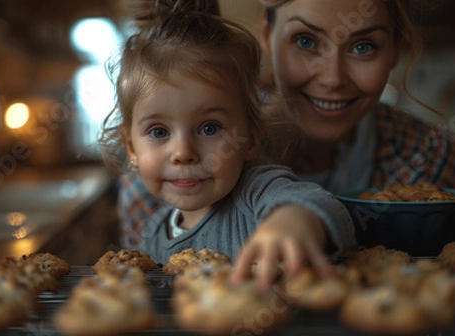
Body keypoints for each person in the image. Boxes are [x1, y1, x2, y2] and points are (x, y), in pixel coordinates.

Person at [117, 0, 455, 265]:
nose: (332, 78)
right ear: (267, 32)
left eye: (363, 46)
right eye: (306, 42)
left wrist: (297, 220)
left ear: (395, 50)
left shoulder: (427, 156)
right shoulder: (155, 186)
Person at [100, 0, 355, 288]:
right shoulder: (152, 235)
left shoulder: (257, 192)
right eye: (159, 132)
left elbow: (323, 206)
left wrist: (293, 220)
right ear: (132, 149)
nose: (184, 153)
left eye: (210, 128)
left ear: (251, 139)